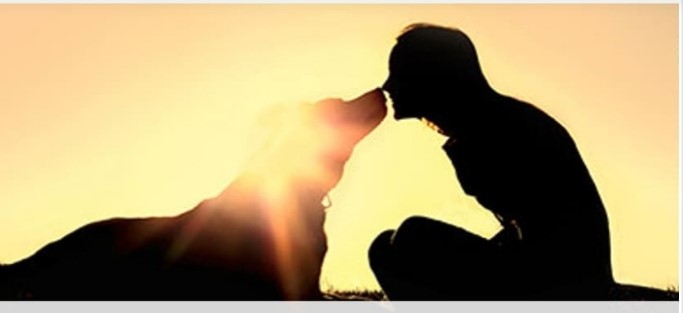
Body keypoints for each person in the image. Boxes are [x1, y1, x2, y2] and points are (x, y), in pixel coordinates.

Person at [369, 23, 615, 300]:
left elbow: (552, 229)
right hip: (552, 272)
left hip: (562, 282)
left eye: (399, 73)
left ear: (430, 75)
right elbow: (524, 225)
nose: (388, 85)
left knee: (413, 237)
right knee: (384, 248)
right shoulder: (482, 124)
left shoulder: (498, 129)